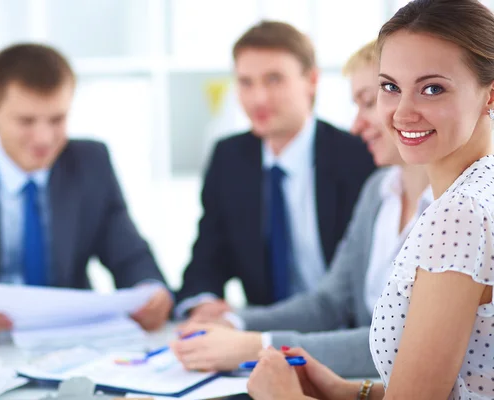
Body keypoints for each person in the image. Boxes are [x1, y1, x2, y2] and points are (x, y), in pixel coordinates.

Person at [247, 0, 494, 398]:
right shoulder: (475, 192)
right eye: (390, 87)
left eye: (432, 88)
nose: (402, 112)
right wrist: (351, 392)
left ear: (490, 95)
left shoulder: (459, 214)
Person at [171, 40, 431, 378]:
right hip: (356, 378)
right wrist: (235, 321)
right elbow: (330, 301)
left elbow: (404, 344)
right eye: (246, 82)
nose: (357, 124)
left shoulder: (447, 204)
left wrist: (259, 345)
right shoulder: (379, 190)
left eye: (370, 102)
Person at [0, 43, 173, 345]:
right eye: (26, 121)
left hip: (72, 346)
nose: (44, 139)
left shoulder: (91, 162)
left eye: (57, 119)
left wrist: (151, 291)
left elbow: (130, 256)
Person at [175, 21, 376, 321]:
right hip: (265, 334)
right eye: (246, 82)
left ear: (311, 80)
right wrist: (203, 303)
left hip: (348, 331)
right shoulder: (229, 159)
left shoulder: (360, 155)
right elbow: (207, 260)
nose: (258, 99)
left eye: (274, 80)